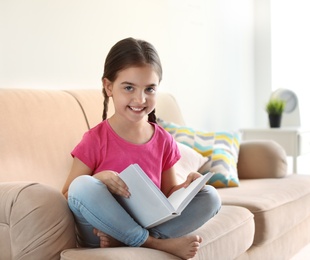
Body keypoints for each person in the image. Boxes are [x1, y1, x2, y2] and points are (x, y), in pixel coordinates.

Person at [61, 37, 221, 259]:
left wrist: (187, 186)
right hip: (100, 229)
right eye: (129, 87)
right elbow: (69, 194)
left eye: (150, 89)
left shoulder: (163, 140)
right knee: (82, 185)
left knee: (211, 197)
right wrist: (100, 179)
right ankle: (153, 243)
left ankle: (127, 238)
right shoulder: (95, 139)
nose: (140, 99)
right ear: (109, 87)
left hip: (139, 225)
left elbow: (167, 195)